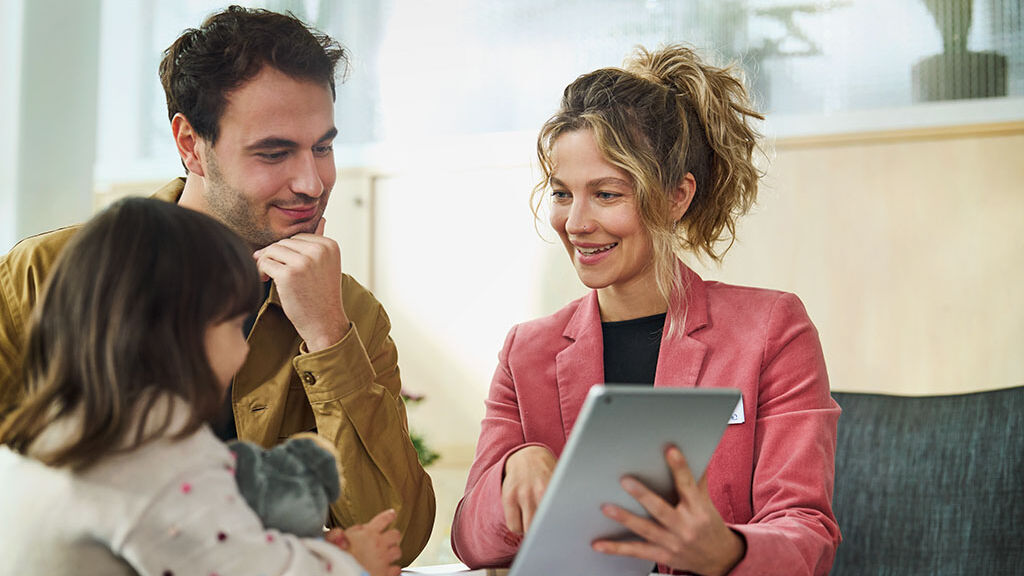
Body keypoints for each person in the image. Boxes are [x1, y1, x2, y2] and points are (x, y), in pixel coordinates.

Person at [0, 6, 433, 565]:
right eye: (274, 152)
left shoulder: (348, 313)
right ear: (189, 143)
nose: (312, 182)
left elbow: (401, 536)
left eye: (322, 147)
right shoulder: (42, 275)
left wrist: (328, 337)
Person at [450, 45, 841, 575]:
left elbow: (806, 533)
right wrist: (511, 470)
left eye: (607, 194)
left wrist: (724, 551)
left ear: (677, 197)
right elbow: (471, 541)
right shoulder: (528, 349)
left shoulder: (772, 330)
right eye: (563, 194)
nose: (576, 222)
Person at [0, 198, 401, 576]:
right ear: (178, 334)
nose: (243, 349)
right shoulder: (158, 459)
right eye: (231, 323)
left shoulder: (53, 438)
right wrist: (350, 561)